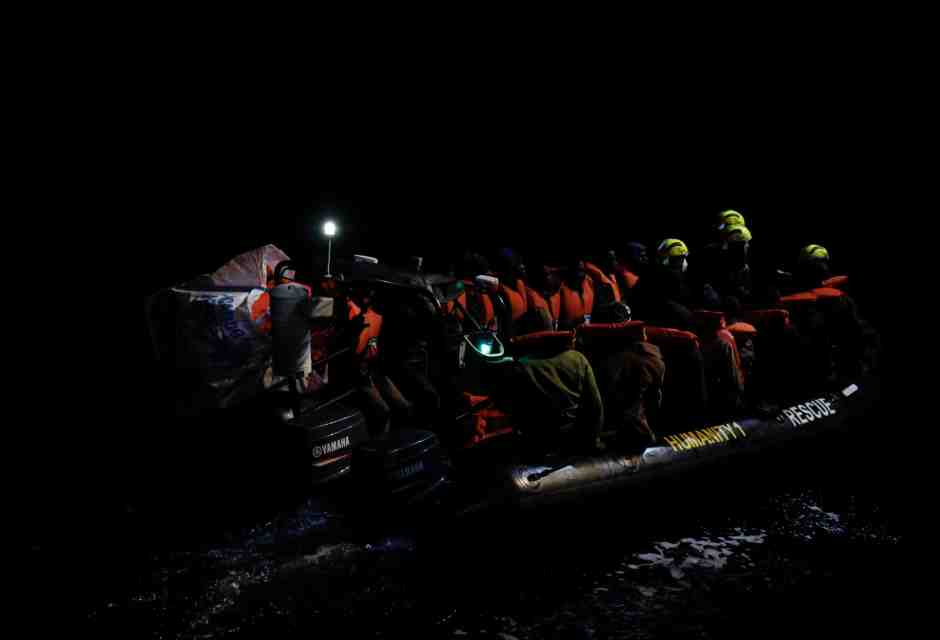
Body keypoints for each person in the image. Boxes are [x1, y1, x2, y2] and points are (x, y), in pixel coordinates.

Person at [488, 349, 605, 454]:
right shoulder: (577, 358)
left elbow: (505, 408)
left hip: (535, 446)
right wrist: (594, 443)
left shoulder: (519, 366)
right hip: (571, 442)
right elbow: (595, 407)